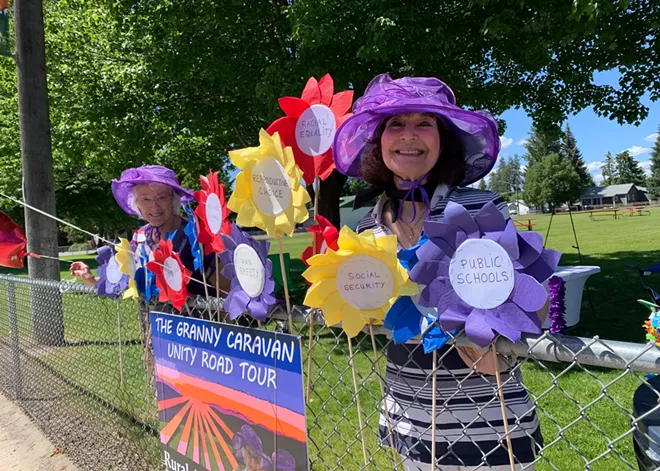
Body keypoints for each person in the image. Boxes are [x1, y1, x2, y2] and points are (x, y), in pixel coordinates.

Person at [333, 74, 543, 470]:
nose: (409, 135)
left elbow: (534, 304)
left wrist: (495, 348)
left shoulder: (482, 207)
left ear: (442, 139)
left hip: (488, 425)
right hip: (406, 422)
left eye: (424, 123)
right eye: (395, 124)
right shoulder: (365, 227)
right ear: (379, 141)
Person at [70, 165, 230, 301]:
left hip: (194, 333)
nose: (154, 207)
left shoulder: (195, 236)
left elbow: (225, 293)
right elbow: (126, 282)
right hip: (152, 332)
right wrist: (91, 279)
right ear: (137, 204)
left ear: (173, 200)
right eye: (146, 199)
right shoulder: (139, 237)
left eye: (161, 198)